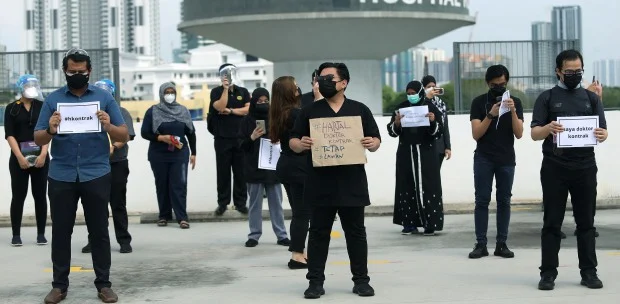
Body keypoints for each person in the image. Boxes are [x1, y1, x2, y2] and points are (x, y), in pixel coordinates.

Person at [34, 48, 128, 303]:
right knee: (61, 232)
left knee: (99, 231)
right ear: (65, 71)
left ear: (89, 71)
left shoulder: (104, 98)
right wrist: (51, 129)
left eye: (81, 71)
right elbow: (37, 137)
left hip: (96, 173)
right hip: (62, 174)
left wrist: (107, 125)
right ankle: (59, 286)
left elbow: (124, 134)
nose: (76, 75)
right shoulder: (53, 100)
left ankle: (104, 284)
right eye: (71, 71)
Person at [290, 62, 381, 299]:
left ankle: (361, 280)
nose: (323, 82)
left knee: (356, 234)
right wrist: (299, 144)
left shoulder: (360, 110)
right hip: (320, 182)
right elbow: (292, 140)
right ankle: (315, 282)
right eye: (321, 78)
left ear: (344, 83)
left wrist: (373, 144)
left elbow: (376, 140)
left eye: (329, 78)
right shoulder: (309, 111)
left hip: (352, 182)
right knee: (319, 233)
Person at [531, 49, 607, 291]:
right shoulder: (547, 98)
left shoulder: (592, 98)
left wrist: (602, 134)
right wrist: (548, 129)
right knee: (552, 222)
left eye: (578, 71)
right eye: (569, 71)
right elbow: (534, 133)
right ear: (558, 71)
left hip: (585, 167)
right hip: (555, 167)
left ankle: (589, 272)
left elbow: (602, 132)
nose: (574, 75)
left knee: (586, 222)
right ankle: (548, 273)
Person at [468, 64, 524, 260]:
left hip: (506, 159)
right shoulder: (479, 103)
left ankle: (502, 243)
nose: (499, 88)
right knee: (482, 201)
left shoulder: (515, 101)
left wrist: (513, 112)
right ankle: (481, 244)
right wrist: (491, 113)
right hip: (484, 157)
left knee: (504, 201)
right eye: (494, 85)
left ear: (507, 82)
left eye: (502, 84)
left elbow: (519, 133)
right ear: (488, 84)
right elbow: (476, 134)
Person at [81, 79, 135, 254]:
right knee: (95, 205)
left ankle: (124, 240)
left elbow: (127, 136)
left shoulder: (121, 112)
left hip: (117, 163)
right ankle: (94, 240)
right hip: (94, 165)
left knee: (117, 203)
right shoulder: (89, 113)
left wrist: (113, 147)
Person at [388, 80, 444, 236]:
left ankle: (430, 224)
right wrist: (397, 123)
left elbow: (439, 132)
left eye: (414, 93)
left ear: (420, 92)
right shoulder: (401, 107)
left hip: (426, 153)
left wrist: (432, 121)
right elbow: (392, 132)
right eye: (409, 93)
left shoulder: (431, 107)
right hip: (406, 153)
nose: (411, 96)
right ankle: (409, 223)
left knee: (428, 186)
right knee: (406, 186)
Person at [238, 87, 290, 247]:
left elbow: (286, 139)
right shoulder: (246, 121)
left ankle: (281, 235)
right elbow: (241, 146)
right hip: (253, 169)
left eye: (266, 101)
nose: (263, 104)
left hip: (272, 168)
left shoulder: (276, 119)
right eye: (259, 101)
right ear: (253, 102)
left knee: (276, 204)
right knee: (254, 204)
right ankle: (254, 235)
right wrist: (252, 137)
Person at [270, 76, 312, 269]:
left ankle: (299, 252)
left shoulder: (279, 113)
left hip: (286, 165)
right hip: (298, 166)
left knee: (299, 212)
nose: (298, 88)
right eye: (294, 86)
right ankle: (297, 255)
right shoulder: (295, 114)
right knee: (302, 213)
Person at [141, 82, 197, 229]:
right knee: (162, 184)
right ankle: (164, 215)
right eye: (167, 92)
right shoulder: (153, 111)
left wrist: (194, 153)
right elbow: (144, 132)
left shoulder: (183, 111)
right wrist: (162, 138)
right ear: (161, 94)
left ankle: (182, 217)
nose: (170, 95)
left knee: (179, 184)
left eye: (172, 92)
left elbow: (191, 132)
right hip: (158, 154)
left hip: (179, 153)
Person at [4, 74, 49, 247]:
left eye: (34, 85)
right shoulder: (11, 108)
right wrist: (20, 157)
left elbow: (48, 131)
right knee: (18, 196)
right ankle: (16, 234)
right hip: (19, 158)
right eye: (28, 85)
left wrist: (43, 154)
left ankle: (41, 234)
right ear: (21, 87)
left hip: (40, 156)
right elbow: (9, 135)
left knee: (40, 196)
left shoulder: (43, 106)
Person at [208, 63, 250, 216]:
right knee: (223, 172)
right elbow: (219, 106)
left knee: (241, 172)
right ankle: (223, 203)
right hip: (222, 138)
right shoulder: (216, 92)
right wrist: (225, 89)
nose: (229, 76)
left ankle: (240, 203)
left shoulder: (243, 91)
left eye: (232, 73)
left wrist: (231, 111)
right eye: (226, 73)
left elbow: (248, 109)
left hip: (240, 137)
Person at [422, 75, 452, 168]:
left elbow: (445, 126)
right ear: (423, 88)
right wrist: (427, 99)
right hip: (425, 145)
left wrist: (448, 147)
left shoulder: (441, 104)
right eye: (428, 87)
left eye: (433, 86)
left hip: (439, 147)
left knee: (435, 176)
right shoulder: (421, 103)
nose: (432, 89)